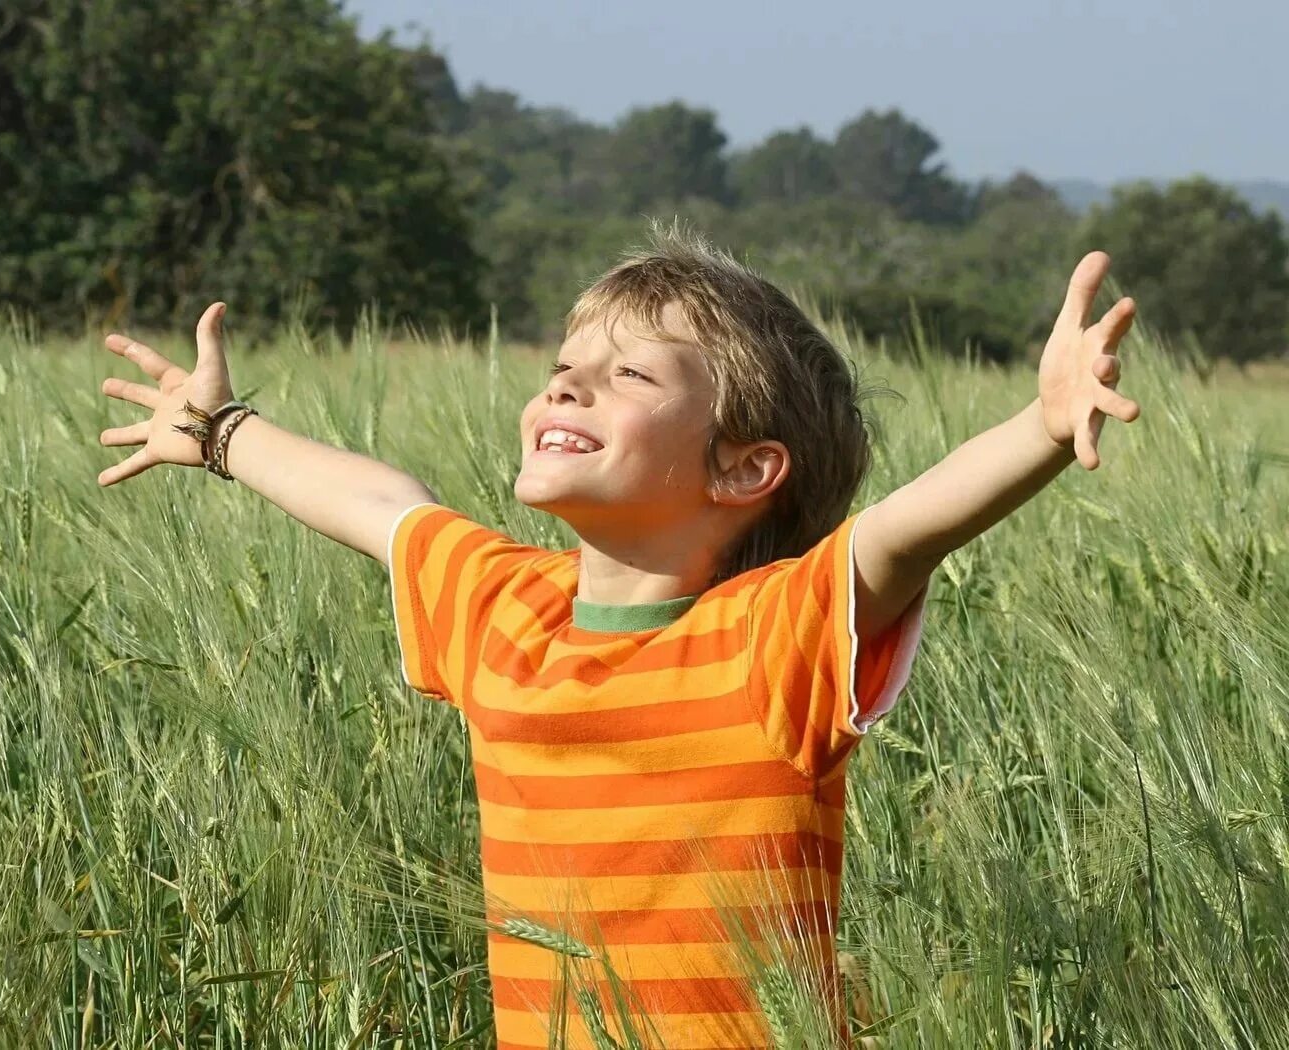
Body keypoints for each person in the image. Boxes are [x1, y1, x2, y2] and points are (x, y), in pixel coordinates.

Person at [94, 224, 1139, 1048]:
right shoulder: (505, 607)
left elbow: (904, 533)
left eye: (632, 376)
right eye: (564, 366)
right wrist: (223, 435)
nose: (565, 384)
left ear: (742, 469)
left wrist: (1042, 428)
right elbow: (380, 505)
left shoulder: (775, 637)